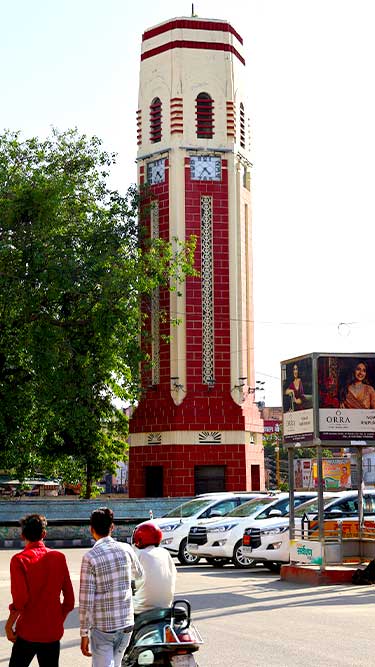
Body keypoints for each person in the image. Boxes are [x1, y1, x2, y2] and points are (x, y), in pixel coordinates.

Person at [5, 513, 74, 667]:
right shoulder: (58, 557)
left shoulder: (19, 560)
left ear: (22, 536)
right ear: (44, 534)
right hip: (52, 633)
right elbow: (69, 601)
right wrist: (57, 620)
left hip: (28, 631)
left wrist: (9, 625)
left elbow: (20, 599)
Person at [79, 507, 143, 667]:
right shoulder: (126, 549)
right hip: (126, 623)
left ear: (91, 530)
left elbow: (86, 601)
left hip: (104, 628)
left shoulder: (90, 557)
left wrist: (84, 633)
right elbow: (140, 576)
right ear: (112, 527)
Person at [132, 522, 176, 615]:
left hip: (141, 609)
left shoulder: (139, 554)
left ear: (139, 538)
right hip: (166, 606)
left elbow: (129, 579)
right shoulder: (165, 553)